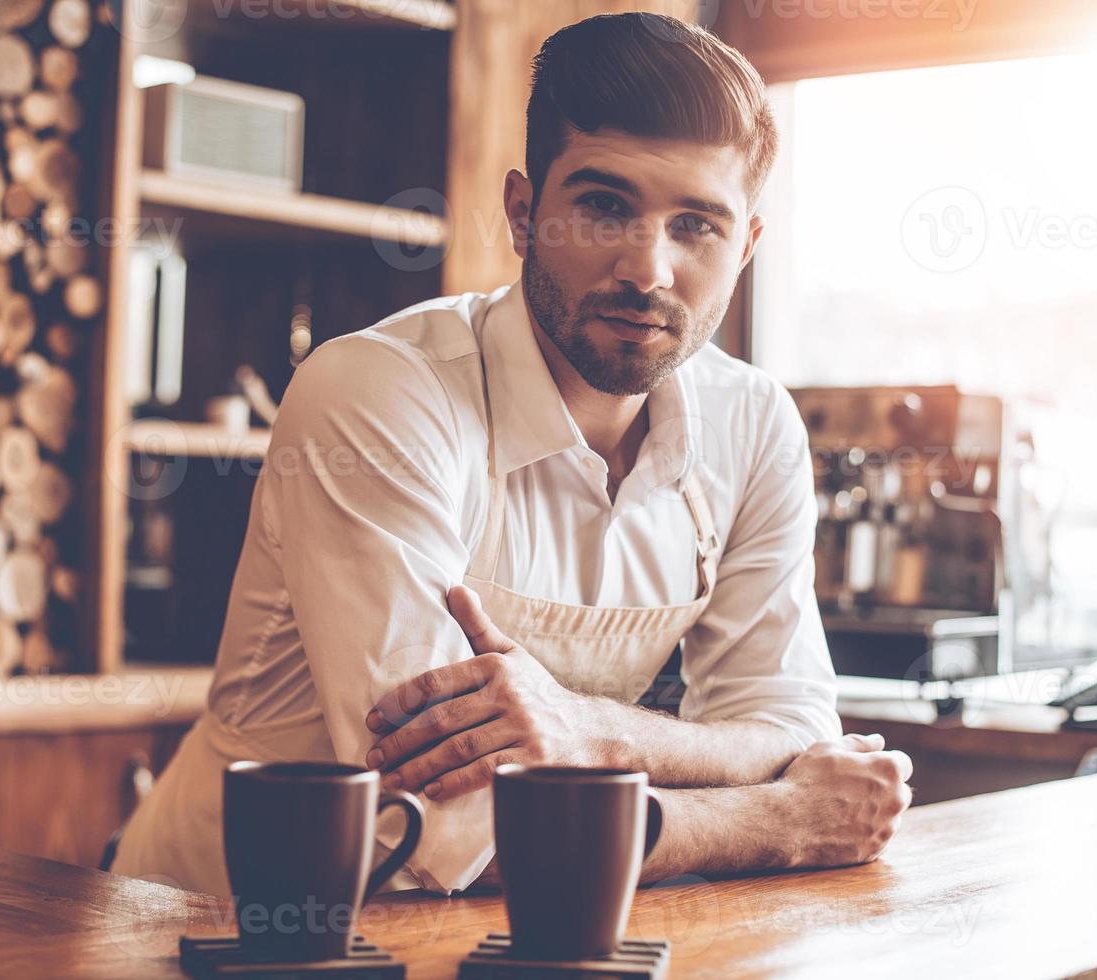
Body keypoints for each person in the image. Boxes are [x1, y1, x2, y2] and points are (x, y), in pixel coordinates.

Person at [112, 11, 912, 897]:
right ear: (525, 214)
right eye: (606, 206)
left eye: (696, 225)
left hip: (510, 939)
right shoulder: (378, 393)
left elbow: (792, 725)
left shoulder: (754, 425)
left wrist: (596, 735)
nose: (647, 268)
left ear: (746, 246)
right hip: (221, 925)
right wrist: (781, 820)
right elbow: (443, 833)